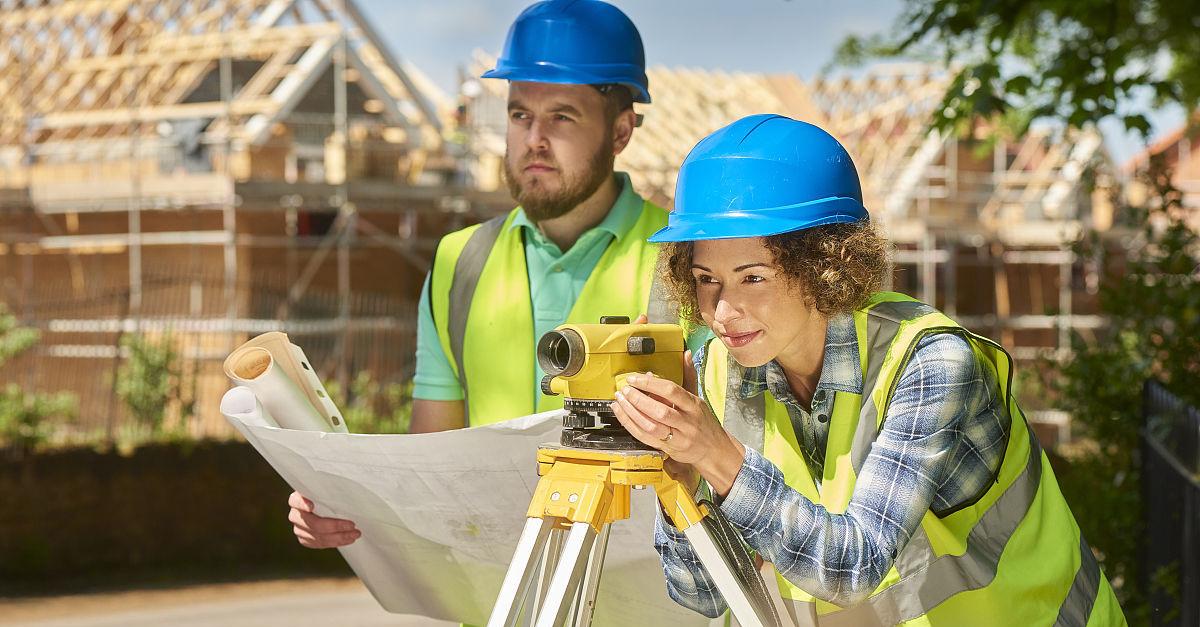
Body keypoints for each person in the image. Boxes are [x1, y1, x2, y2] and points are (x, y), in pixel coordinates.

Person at [609, 114, 1126, 625]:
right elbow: (703, 596)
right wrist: (679, 476)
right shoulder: (720, 373)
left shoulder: (930, 364)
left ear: (823, 265)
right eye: (706, 279)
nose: (722, 312)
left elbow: (853, 567)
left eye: (753, 279)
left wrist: (714, 454)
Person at [288, 0, 704, 551]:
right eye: (519, 114)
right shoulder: (459, 261)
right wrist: (347, 505)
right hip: (494, 603)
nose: (534, 138)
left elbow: (726, 465)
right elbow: (435, 463)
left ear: (622, 130)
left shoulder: (687, 263)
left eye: (562, 116)